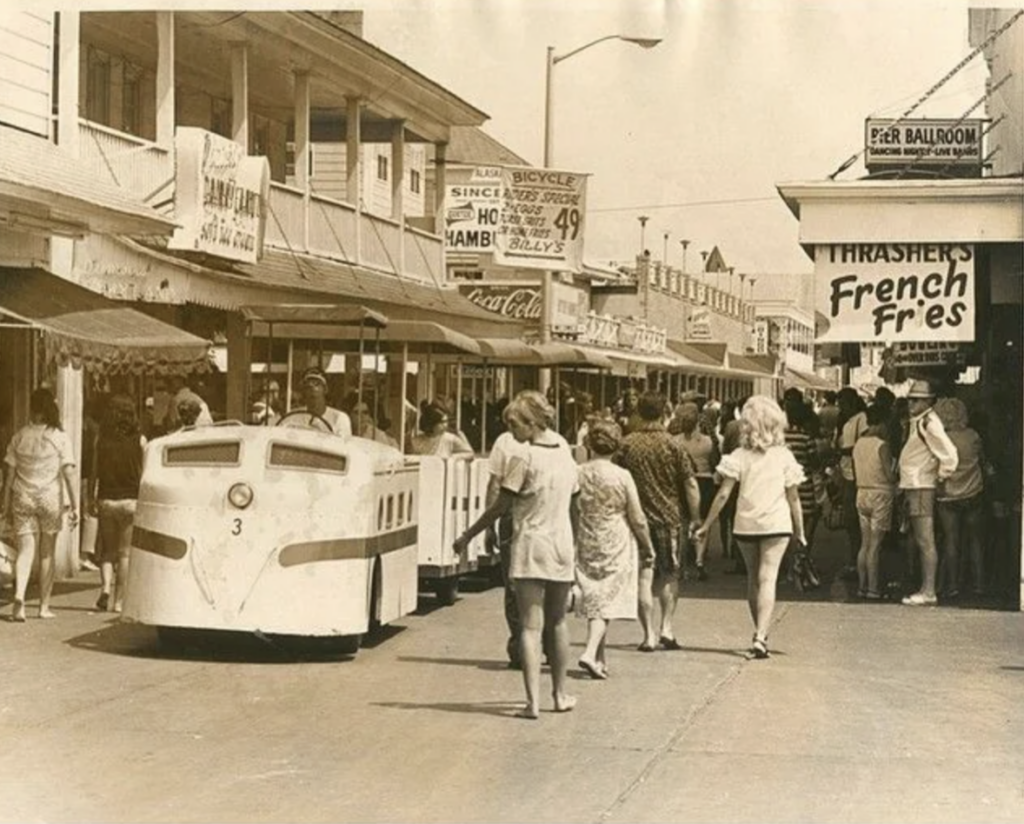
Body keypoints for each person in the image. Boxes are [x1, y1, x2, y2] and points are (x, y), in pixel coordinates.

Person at [453, 391, 579, 719]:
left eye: (515, 424)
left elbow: (501, 506)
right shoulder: (566, 451)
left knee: (530, 627)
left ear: (533, 422)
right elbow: (576, 504)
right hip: (562, 544)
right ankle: (560, 694)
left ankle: (532, 702)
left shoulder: (524, 458)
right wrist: (576, 546)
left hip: (530, 546)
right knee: (559, 622)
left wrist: (469, 534)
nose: (510, 431)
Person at [694, 396, 806, 659]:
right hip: (777, 524)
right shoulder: (784, 456)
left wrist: (707, 525)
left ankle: (759, 631)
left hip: (746, 524)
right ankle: (761, 636)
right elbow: (793, 497)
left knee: (752, 579)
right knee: (769, 578)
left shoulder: (738, 457)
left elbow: (723, 495)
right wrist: (800, 531)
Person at [615, 391, 701, 652]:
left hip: (635, 518)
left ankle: (648, 635)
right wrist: (696, 517)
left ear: (638, 413)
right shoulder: (673, 445)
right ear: (665, 412)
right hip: (669, 517)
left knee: (644, 575)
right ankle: (667, 627)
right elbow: (690, 483)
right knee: (669, 574)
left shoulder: (627, 444)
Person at [574, 421, 655, 679]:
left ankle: (600, 658)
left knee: (596, 596)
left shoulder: (578, 472)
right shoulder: (622, 476)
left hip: (587, 535)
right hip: (615, 537)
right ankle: (589, 653)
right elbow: (638, 518)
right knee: (606, 600)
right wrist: (647, 546)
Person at [1, 388, 79, 621]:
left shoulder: (20, 436)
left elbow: (9, 475)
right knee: (47, 553)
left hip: (22, 496)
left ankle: (19, 597)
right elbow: (69, 472)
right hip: (50, 497)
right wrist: (76, 505)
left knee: (26, 550)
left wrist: (5, 505)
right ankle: (44, 606)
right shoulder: (60, 437)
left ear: (33, 409)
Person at [898, 380, 958, 607]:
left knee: (925, 539)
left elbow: (949, 454)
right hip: (916, 485)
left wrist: (941, 475)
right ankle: (927, 587)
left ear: (929, 401)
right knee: (923, 539)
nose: (911, 403)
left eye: (917, 400)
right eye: (910, 399)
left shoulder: (928, 423)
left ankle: (929, 590)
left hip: (921, 485)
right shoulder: (922, 422)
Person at [89, 395, 146, 613]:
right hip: (131, 500)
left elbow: (94, 472)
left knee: (108, 552)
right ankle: (119, 601)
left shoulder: (100, 439)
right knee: (125, 554)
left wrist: (89, 497)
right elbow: (145, 473)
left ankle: (105, 589)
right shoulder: (140, 440)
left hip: (106, 500)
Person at [932, 396, 986, 599]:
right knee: (975, 541)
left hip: (948, 497)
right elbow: (982, 459)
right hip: (973, 493)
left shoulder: (942, 440)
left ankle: (953, 585)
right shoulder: (973, 435)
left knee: (951, 540)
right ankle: (979, 584)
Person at [852, 403, 898, 600]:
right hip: (880, 495)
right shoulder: (882, 445)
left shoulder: (858, 444)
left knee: (865, 543)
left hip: (862, 493)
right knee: (876, 545)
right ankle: (873, 588)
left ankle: (862, 586)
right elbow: (889, 475)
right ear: (882, 422)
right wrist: (897, 470)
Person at [672, 401, 719, 580]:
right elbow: (715, 462)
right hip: (705, 481)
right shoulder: (707, 442)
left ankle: (681, 564)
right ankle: (699, 560)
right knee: (702, 522)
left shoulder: (675, 442)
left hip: (682, 483)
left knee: (683, 524)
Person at [279, 368, 352, 436]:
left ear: (325, 389)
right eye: (308, 385)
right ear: (304, 391)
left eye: (317, 384)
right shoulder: (292, 417)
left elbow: (342, 445)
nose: (312, 388)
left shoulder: (339, 418)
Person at [408, 401, 472, 457]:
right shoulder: (416, 442)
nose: (445, 425)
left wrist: (453, 457)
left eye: (446, 422)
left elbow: (469, 453)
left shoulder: (449, 439)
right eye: (442, 422)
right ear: (432, 424)